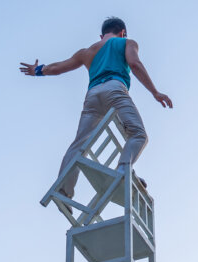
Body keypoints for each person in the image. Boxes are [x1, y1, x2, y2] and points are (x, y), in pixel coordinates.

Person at [20, 17, 172, 200]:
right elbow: (135, 64)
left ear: (101, 35)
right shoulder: (126, 42)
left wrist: (38, 70)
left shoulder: (86, 52)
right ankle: (123, 170)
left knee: (80, 143)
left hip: (92, 96)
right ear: (122, 32)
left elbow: (58, 68)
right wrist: (155, 92)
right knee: (139, 134)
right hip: (115, 89)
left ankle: (63, 190)